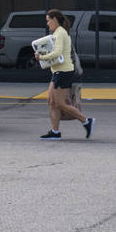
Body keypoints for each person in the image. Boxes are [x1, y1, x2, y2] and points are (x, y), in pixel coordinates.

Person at [33, 8, 94, 140]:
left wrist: (41, 58)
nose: (47, 24)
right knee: (51, 101)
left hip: (63, 72)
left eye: (49, 21)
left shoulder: (60, 33)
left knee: (60, 103)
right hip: (58, 71)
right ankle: (55, 132)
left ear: (55, 19)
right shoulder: (58, 33)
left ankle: (86, 121)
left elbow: (57, 53)